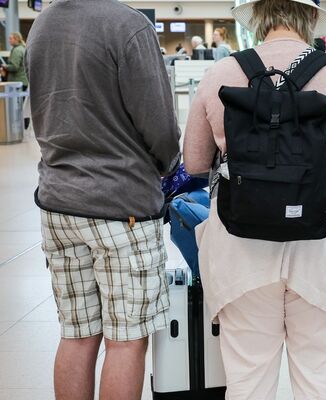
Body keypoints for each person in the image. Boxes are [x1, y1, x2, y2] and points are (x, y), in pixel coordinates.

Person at [183, 0, 326, 398]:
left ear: (258, 17)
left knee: (247, 381)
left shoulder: (220, 73)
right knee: (320, 382)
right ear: (311, 18)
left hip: (239, 242)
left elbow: (193, 161)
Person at [26, 0, 182, 398]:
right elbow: (160, 124)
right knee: (126, 338)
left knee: (76, 334)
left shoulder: (43, 24)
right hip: (120, 203)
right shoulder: (128, 25)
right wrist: (167, 165)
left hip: (59, 200)